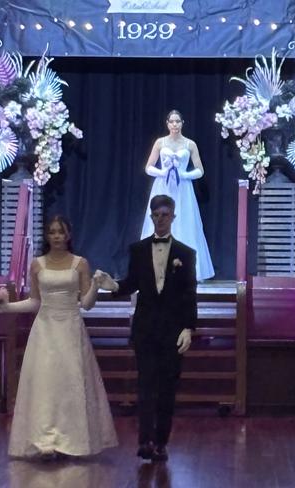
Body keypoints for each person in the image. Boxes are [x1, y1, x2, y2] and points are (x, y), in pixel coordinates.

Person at [0, 215, 118, 459]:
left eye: (60, 232)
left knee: (70, 383)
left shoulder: (80, 263)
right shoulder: (37, 264)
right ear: (47, 236)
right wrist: (6, 307)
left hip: (71, 328)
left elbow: (86, 304)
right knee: (45, 384)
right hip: (45, 330)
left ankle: (71, 440)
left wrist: (95, 286)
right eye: (52, 232)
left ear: (68, 235)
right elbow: (35, 302)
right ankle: (45, 441)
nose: (57, 236)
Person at [97, 195, 197, 462]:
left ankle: (161, 442)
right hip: (146, 329)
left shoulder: (186, 254)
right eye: (156, 214)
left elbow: (189, 293)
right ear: (151, 217)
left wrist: (188, 328)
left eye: (165, 214)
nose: (161, 218)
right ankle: (145, 441)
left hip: (172, 330)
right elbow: (132, 283)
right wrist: (114, 285)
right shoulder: (138, 249)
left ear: (173, 217)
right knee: (145, 385)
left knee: (167, 388)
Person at [141, 109, 215, 281]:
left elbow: (200, 170)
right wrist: (162, 172)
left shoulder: (190, 144)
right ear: (167, 124)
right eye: (171, 121)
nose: (174, 124)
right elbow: (148, 167)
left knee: (185, 222)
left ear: (182, 123)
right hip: (163, 186)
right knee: (160, 223)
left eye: (177, 121)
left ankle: (187, 269)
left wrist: (184, 175)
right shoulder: (160, 142)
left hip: (183, 188)